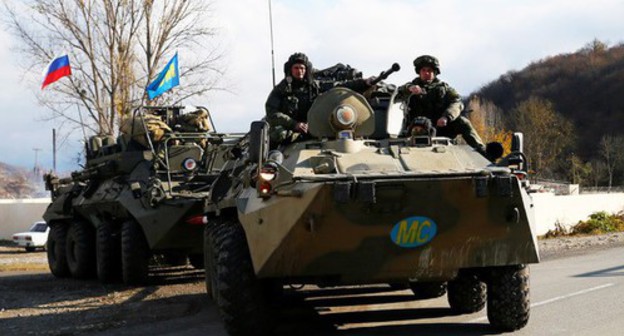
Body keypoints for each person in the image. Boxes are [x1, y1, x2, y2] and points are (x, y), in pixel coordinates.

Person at [265, 52, 372, 148]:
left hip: (313, 129)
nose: (300, 71)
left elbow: (340, 86)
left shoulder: (314, 86)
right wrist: (294, 124)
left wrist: (364, 83)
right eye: (296, 68)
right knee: (278, 134)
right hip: (290, 130)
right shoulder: (282, 89)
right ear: (290, 70)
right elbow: (271, 111)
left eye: (302, 68)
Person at [398, 55, 486, 152]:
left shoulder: (444, 89)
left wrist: (446, 117)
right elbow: (395, 93)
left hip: (440, 128)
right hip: (415, 129)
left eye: (429, 70)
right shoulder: (411, 87)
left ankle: (482, 151)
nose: (426, 73)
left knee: (463, 122)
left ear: (435, 72)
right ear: (419, 72)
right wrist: (409, 88)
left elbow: (457, 102)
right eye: (423, 70)